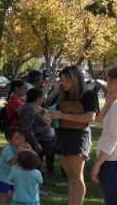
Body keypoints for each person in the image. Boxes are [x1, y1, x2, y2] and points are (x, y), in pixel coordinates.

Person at [46, 66, 98, 205]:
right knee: (70, 177)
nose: (62, 83)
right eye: (61, 80)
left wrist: (62, 115)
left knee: (77, 176)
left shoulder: (88, 95)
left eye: (65, 80)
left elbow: (90, 117)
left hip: (78, 137)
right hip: (61, 136)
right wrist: (48, 117)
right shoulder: (61, 94)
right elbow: (47, 109)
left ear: (75, 79)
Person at [90, 66, 117, 205]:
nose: (107, 83)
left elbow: (113, 139)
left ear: (116, 81)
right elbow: (99, 121)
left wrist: (97, 164)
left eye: (109, 80)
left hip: (113, 161)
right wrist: (108, 102)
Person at [18, 88, 55, 179]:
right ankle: (37, 179)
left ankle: (46, 176)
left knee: (48, 158)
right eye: (43, 96)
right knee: (36, 161)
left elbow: (48, 119)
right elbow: (26, 129)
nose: (44, 98)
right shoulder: (28, 109)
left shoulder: (37, 108)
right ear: (38, 98)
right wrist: (35, 144)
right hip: (39, 139)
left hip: (47, 138)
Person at [0, 130, 31, 205]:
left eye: (22, 137)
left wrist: (30, 151)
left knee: (16, 199)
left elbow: (31, 162)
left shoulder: (25, 147)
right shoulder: (7, 149)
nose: (21, 139)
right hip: (3, 178)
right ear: (9, 140)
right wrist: (19, 152)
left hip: (16, 179)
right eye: (17, 138)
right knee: (2, 198)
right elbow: (12, 162)